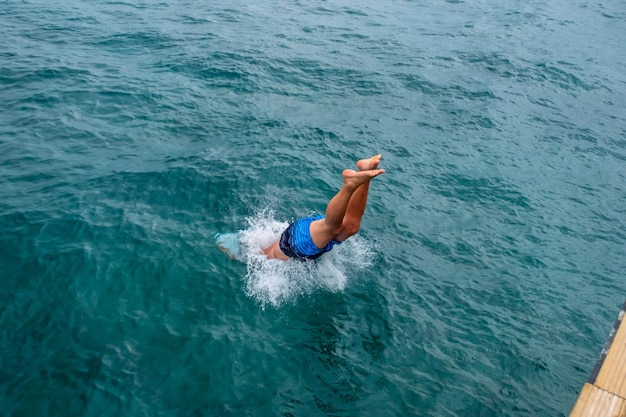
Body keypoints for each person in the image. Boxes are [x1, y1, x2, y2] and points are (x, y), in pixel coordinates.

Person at [263, 154, 385, 261]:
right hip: (299, 237)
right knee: (351, 227)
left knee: (331, 227)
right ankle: (366, 171)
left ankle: (349, 185)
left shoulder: (265, 260)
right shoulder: (267, 252)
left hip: (297, 244)